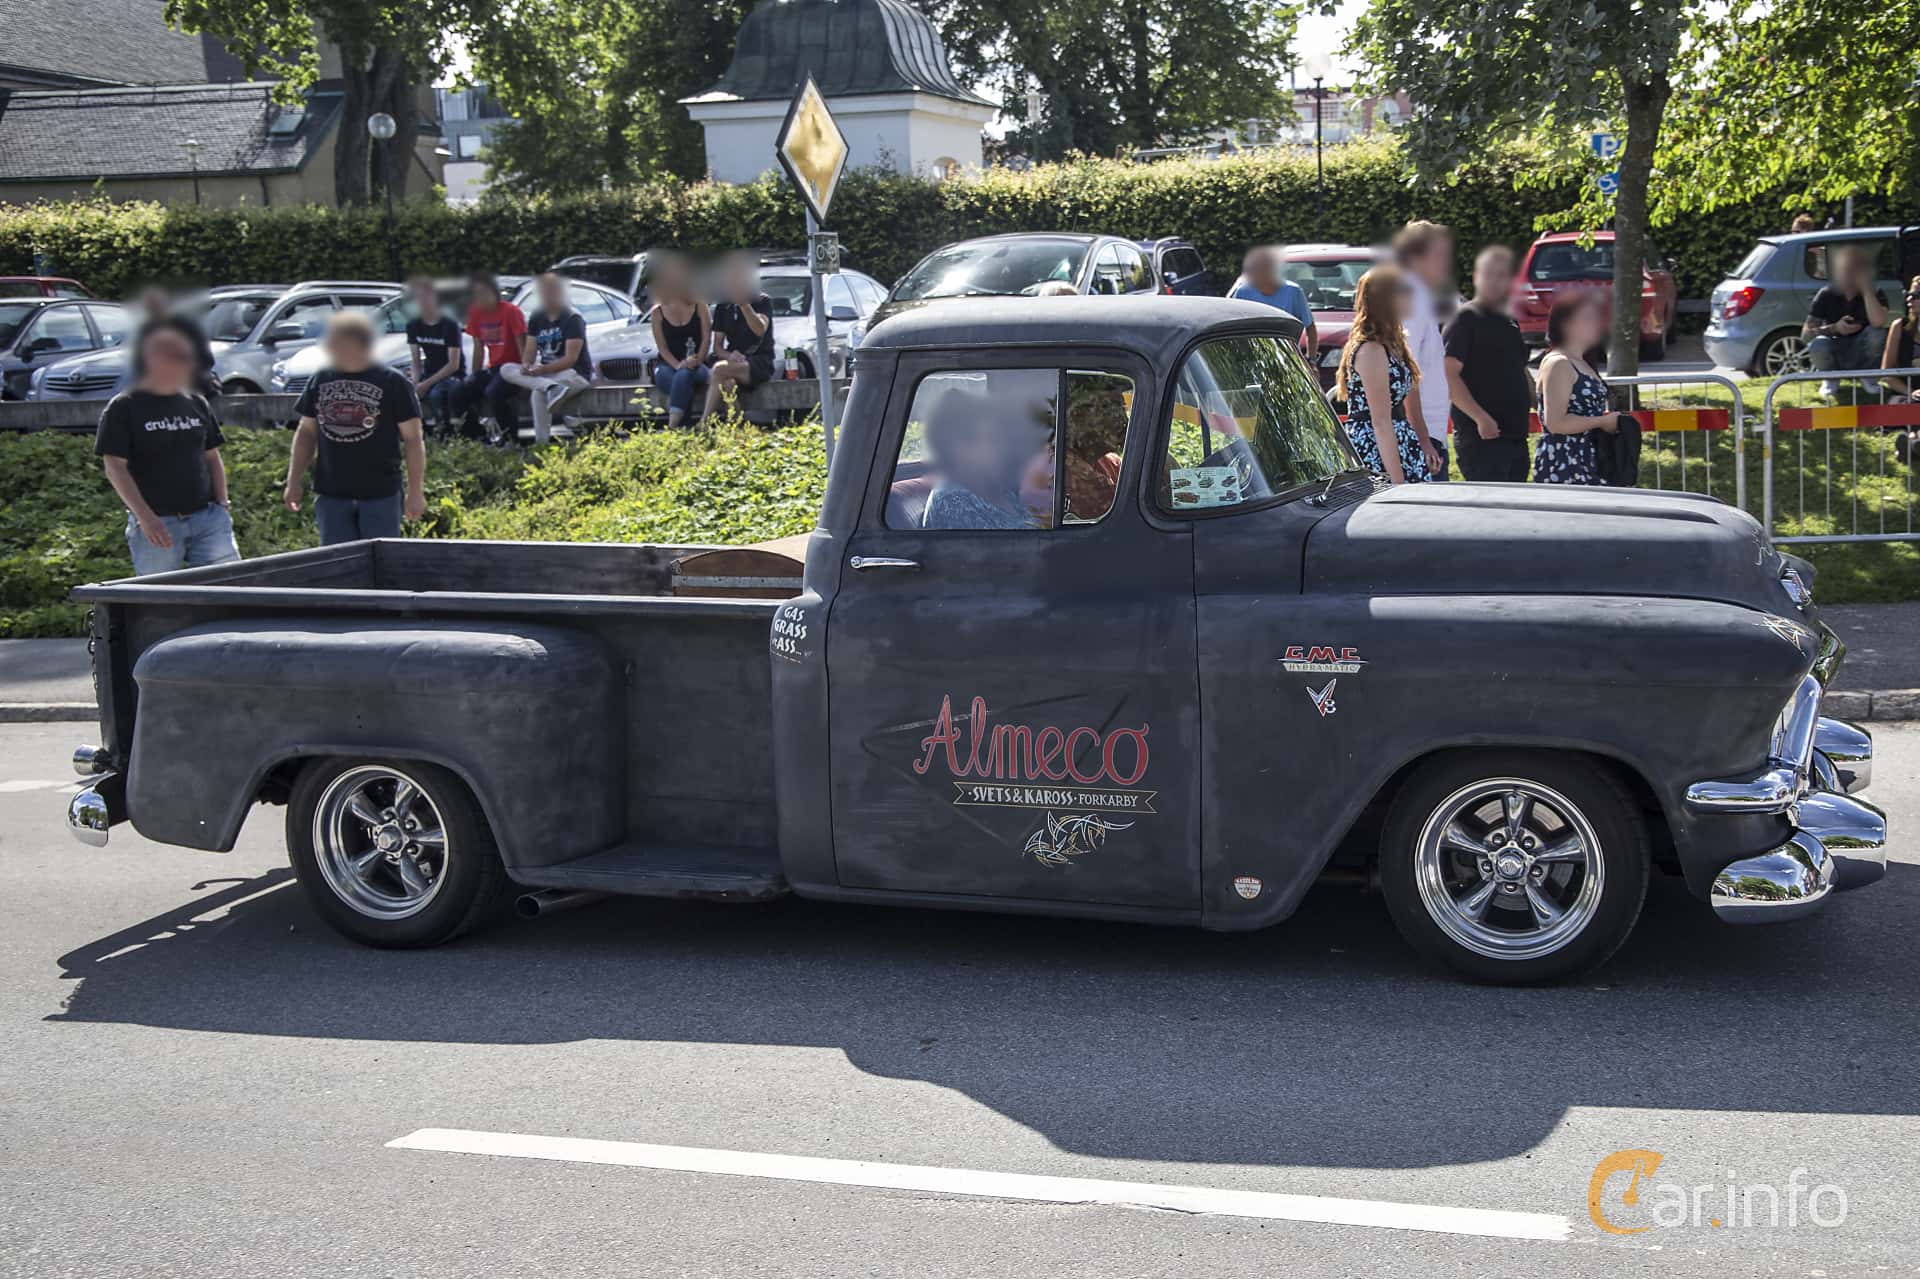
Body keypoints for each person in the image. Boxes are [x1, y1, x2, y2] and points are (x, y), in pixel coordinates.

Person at [95, 318, 240, 575]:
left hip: (208, 518)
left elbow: (212, 456)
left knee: (228, 586)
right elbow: (115, 467)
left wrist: (222, 505)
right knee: (161, 599)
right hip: (158, 522)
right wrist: (146, 518)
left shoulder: (196, 401)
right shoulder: (124, 407)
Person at [284, 311, 426, 544]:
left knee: (382, 566)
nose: (329, 348)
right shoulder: (321, 379)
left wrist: (415, 492)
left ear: (356, 344)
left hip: (380, 494)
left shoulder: (393, 382)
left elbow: (413, 439)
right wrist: (293, 481)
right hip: (332, 494)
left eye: (335, 343)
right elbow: (306, 432)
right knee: (338, 566)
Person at [1332, 265, 1430, 485]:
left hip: (1399, 441)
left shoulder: (1394, 344)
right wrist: (1397, 483)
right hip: (1376, 448)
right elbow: (1380, 421)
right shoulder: (1371, 350)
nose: (1411, 295)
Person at [1444, 245, 1534, 482]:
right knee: (1491, 515)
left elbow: (1520, 367)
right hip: (1483, 440)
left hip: (1515, 437)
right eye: (1488, 274)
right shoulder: (1465, 318)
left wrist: (1537, 400)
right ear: (1476, 277)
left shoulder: (1509, 320)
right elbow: (1449, 374)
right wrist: (1480, 418)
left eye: (1501, 275)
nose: (1494, 281)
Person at [920, 379, 1052, 528]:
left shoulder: (1000, 488)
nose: (1002, 447)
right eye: (992, 439)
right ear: (958, 448)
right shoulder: (952, 500)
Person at [1534, 294, 1625, 486]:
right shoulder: (1559, 363)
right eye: (1587, 318)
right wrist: (1602, 421)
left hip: (1589, 458)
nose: (1596, 324)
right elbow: (1556, 423)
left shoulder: (1581, 361)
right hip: (1566, 461)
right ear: (1566, 324)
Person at [500, 272, 594, 446]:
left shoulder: (573, 318)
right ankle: (550, 388)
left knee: (538, 392)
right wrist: (527, 365)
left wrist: (542, 371)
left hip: (574, 374)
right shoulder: (537, 317)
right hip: (547, 377)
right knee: (506, 369)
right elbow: (529, 352)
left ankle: (541, 443)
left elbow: (571, 359)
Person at [1393, 220, 1454, 480]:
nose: (1445, 263)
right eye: (1439, 254)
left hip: (1427, 432)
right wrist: (1424, 441)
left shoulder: (1420, 295)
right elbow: (1407, 375)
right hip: (1421, 435)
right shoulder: (1413, 298)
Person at [1804, 244, 1889, 399]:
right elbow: (1806, 333)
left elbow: (1879, 322)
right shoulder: (1826, 294)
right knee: (1818, 344)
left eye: (1856, 269)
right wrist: (1835, 328)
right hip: (1834, 346)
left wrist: (1866, 291)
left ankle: (1869, 377)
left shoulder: (1875, 292)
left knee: (1877, 333)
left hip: (1861, 349)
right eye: (1846, 269)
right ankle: (1830, 378)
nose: (1850, 274)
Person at [453, 273, 527, 443]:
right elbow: (478, 349)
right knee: (458, 393)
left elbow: (522, 346)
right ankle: (476, 437)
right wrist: (474, 375)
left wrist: (526, 377)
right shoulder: (476, 313)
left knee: (493, 393)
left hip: (513, 368)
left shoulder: (511, 312)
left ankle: (510, 439)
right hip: (493, 368)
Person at [703, 252, 774, 419]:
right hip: (733, 361)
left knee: (719, 370)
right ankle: (738, 423)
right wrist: (730, 355)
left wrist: (744, 305)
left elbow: (760, 329)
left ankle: (704, 421)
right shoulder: (723, 306)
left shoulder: (762, 301)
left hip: (758, 361)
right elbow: (718, 346)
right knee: (728, 383)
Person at [648, 254, 711, 429]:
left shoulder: (700, 305)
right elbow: (662, 347)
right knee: (682, 378)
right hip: (668, 365)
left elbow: (707, 336)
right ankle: (684, 426)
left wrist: (698, 359)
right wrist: (678, 365)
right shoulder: (657, 312)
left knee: (686, 375)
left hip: (697, 364)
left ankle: (672, 425)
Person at [1230, 246, 1318, 363]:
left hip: (1286, 360)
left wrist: (1312, 361)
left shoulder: (1293, 292)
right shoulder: (1243, 292)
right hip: (1252, 359)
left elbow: (1310, 328)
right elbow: (1233, 328)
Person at [403, 275, 463, 436]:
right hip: (429, 372)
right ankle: (419, 435)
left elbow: (454, 364)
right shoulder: (413, 325)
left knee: (437, 395)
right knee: (407, 393)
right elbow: (416, 361)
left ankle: (446, 436)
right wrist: (415, 383)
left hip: (452, 374)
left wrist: (426, 384)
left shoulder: (449, 324)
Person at [1879, 276, 1920, 401]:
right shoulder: (1899, 327)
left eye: (1916, 295)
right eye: (1908, 294)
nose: (1909, 299)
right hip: (1906, 395)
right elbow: (1887, 374)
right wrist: (1911, 392)